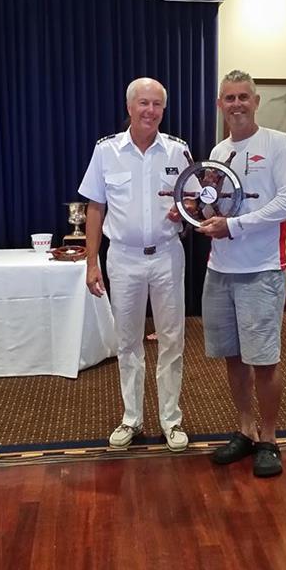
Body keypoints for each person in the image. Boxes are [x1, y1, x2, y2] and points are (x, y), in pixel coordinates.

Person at [78, 77, 193, 452]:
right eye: (143, 103)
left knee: (172, 341)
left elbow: (196, 202)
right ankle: (132, 418)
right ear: (129, 107)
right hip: (123, 258)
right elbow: (95, 208)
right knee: (128, 342)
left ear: (164, 109)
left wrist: (186, 211)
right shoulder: (107, 150)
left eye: (157, 104)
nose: (150, 111)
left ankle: (170, 420)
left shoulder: (178, 151)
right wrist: (91, 263)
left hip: (167, 256)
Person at [199, 69, 286, 478]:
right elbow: (214, 207)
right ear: (220, 105)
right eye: (229, 97)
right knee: (233, 358)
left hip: (261, 270)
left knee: (264, 361)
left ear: (256, 101)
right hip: (219, 268)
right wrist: (193, 210)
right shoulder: (218, 152)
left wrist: (235, 226)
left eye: (244, 96)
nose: (237, 104)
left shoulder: (278, 143)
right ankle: (244, 430)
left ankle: (269, 439)